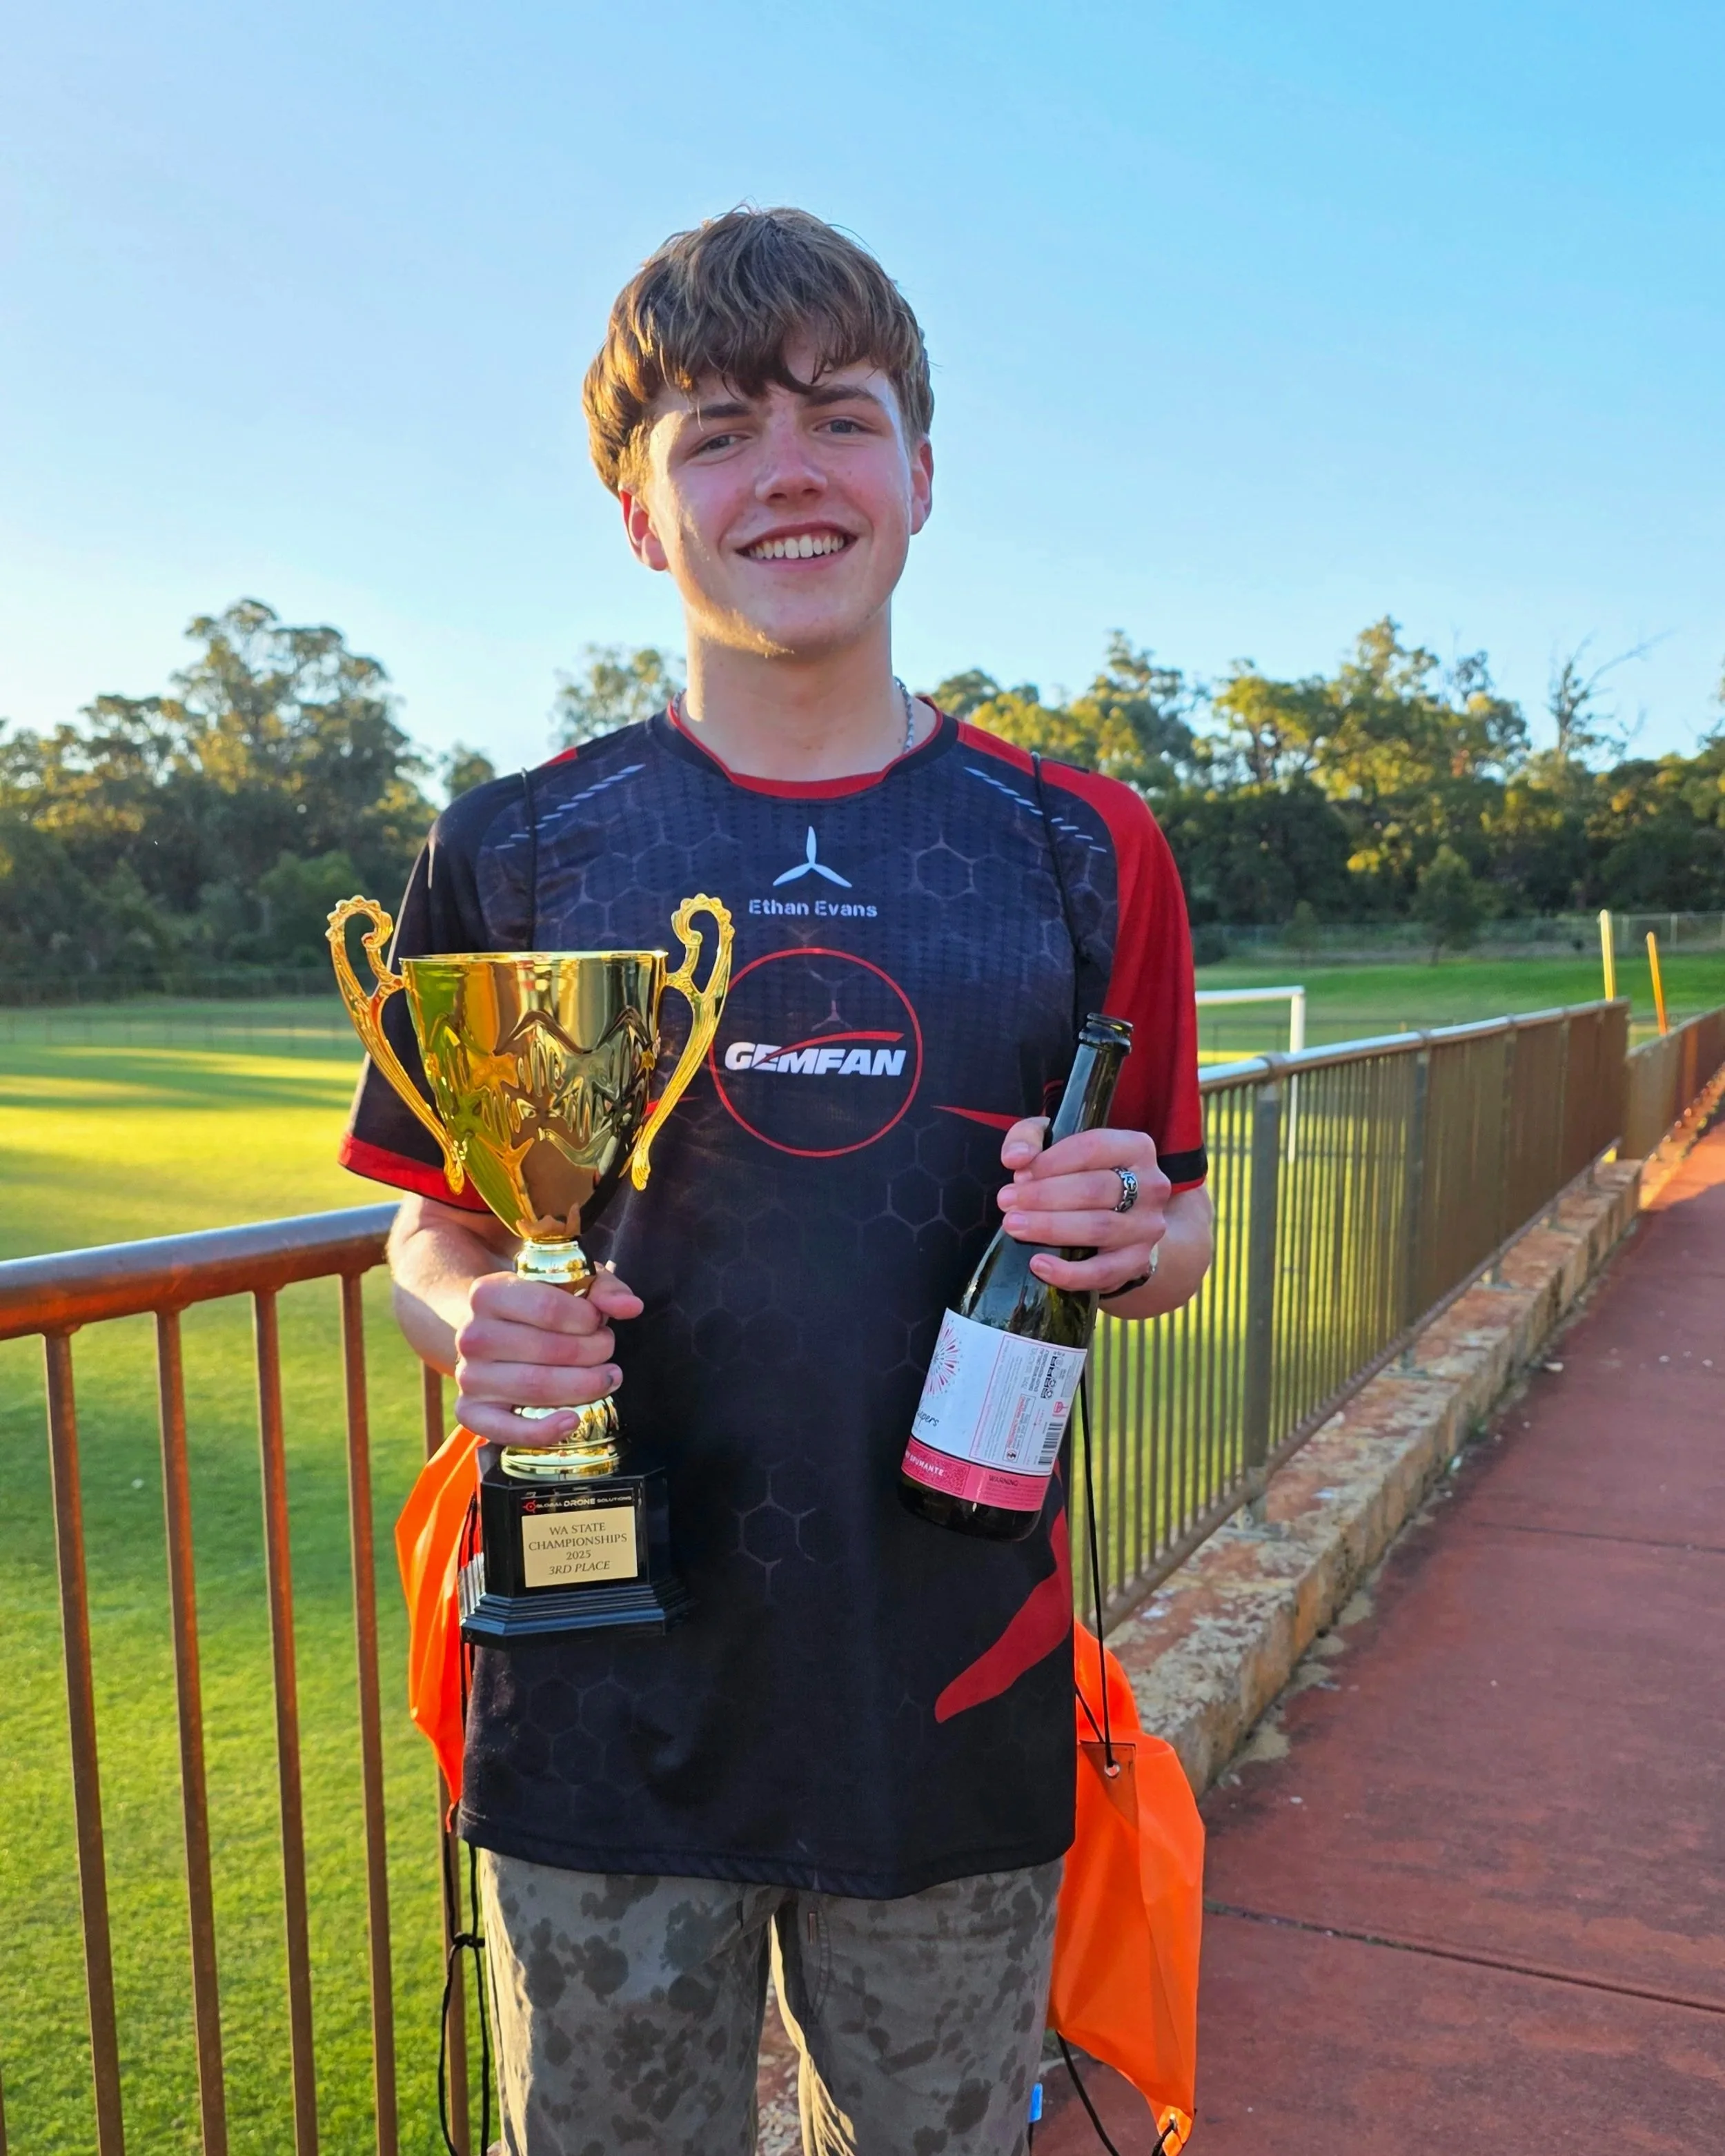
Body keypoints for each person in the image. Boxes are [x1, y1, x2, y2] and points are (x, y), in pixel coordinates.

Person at [341, 206, 1213, 2156]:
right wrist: (472, 1308)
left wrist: (1142, 1240)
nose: (787, 469)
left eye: (838, 413)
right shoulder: (515, 850)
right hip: (591, 1680)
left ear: (920, 473)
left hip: (949, 1675)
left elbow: (1172, 1212)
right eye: (716, 431)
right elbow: (431, 1215)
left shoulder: (1082, 846)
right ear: (640, 513)